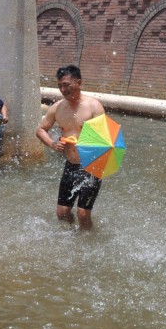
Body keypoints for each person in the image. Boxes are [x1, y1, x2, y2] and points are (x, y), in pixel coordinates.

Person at [35, 65, 105, 230]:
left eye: (66, 85)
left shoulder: (94, 107)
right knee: (62, 213)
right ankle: (74, 235)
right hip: (71, 165)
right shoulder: (57, 107)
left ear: (78, 82)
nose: (63, 89)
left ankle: (88, 241)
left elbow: (104, 138)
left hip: (92, 166)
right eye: (60, 85)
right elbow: (40, 130)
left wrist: (83, 143)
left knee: (83, 214)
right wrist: (52, 143)